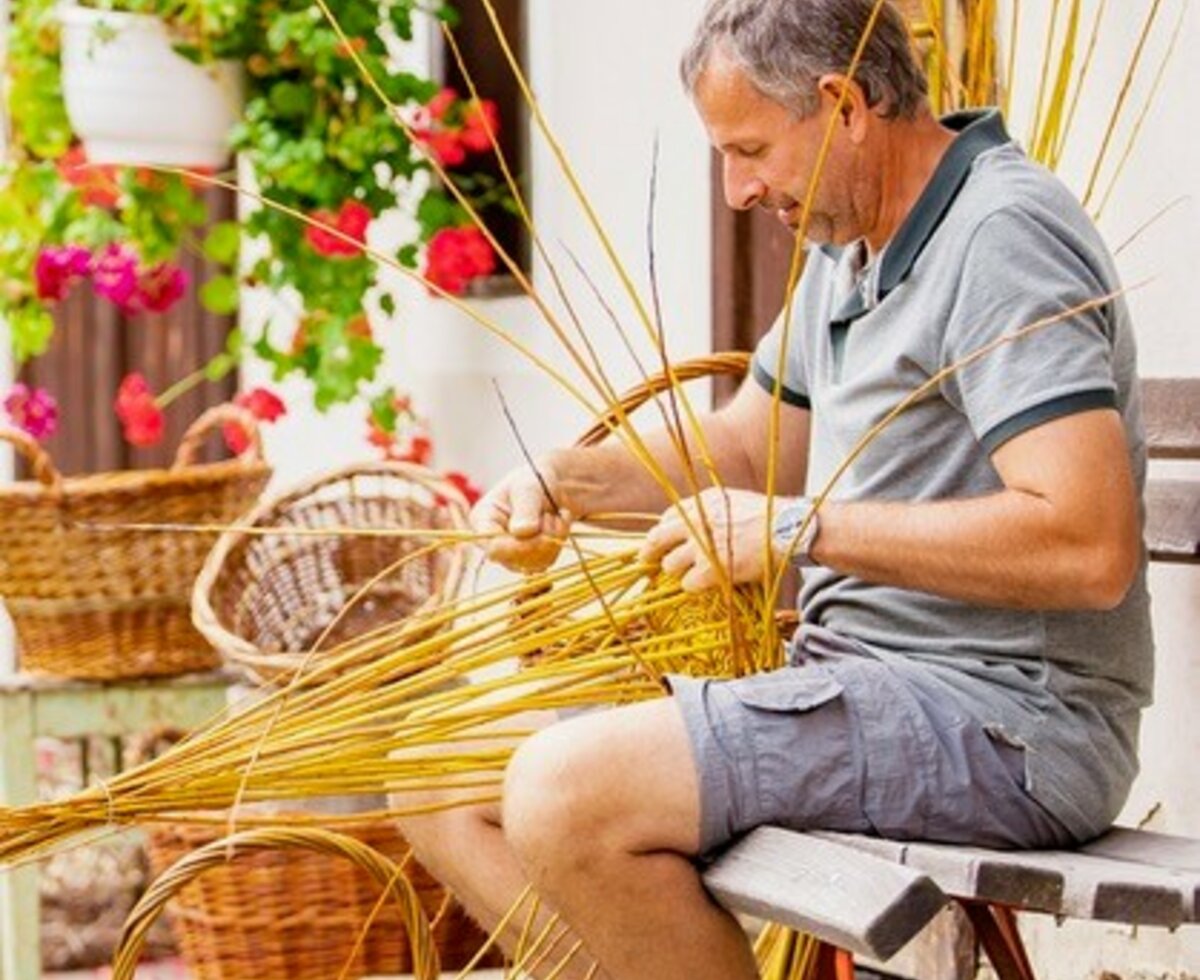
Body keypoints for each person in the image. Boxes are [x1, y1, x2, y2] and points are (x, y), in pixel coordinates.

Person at [396, 1, 1153, 977]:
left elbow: (1087, 546)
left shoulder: (999, 236)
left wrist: (801, 529)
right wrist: (571, 479)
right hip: (859, 685)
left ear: (843, 104)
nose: (738, 189)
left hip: (1005, 725)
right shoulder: (850, 251)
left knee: (565, 792)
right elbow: (748, 453)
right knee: (437, 768)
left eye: (749, 149)